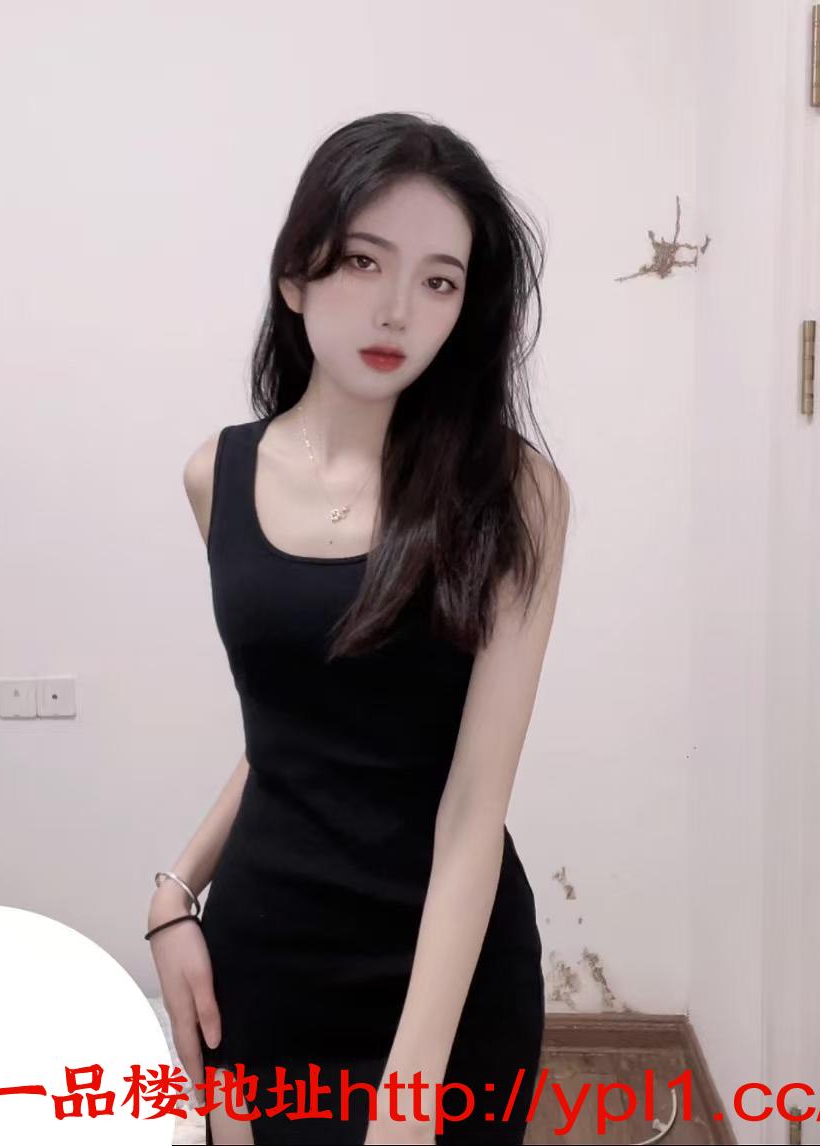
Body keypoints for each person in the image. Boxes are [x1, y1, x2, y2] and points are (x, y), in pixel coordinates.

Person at [147, 111, 570, 1146]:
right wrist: (177, 892)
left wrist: (407, 1099)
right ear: (295, 275)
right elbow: (290, 730)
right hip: (266, 956)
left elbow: (474, 806)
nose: (396, 309)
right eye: (362, 261)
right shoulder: (217, 475)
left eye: (439, 281)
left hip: (446, 979)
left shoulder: (513, 492)